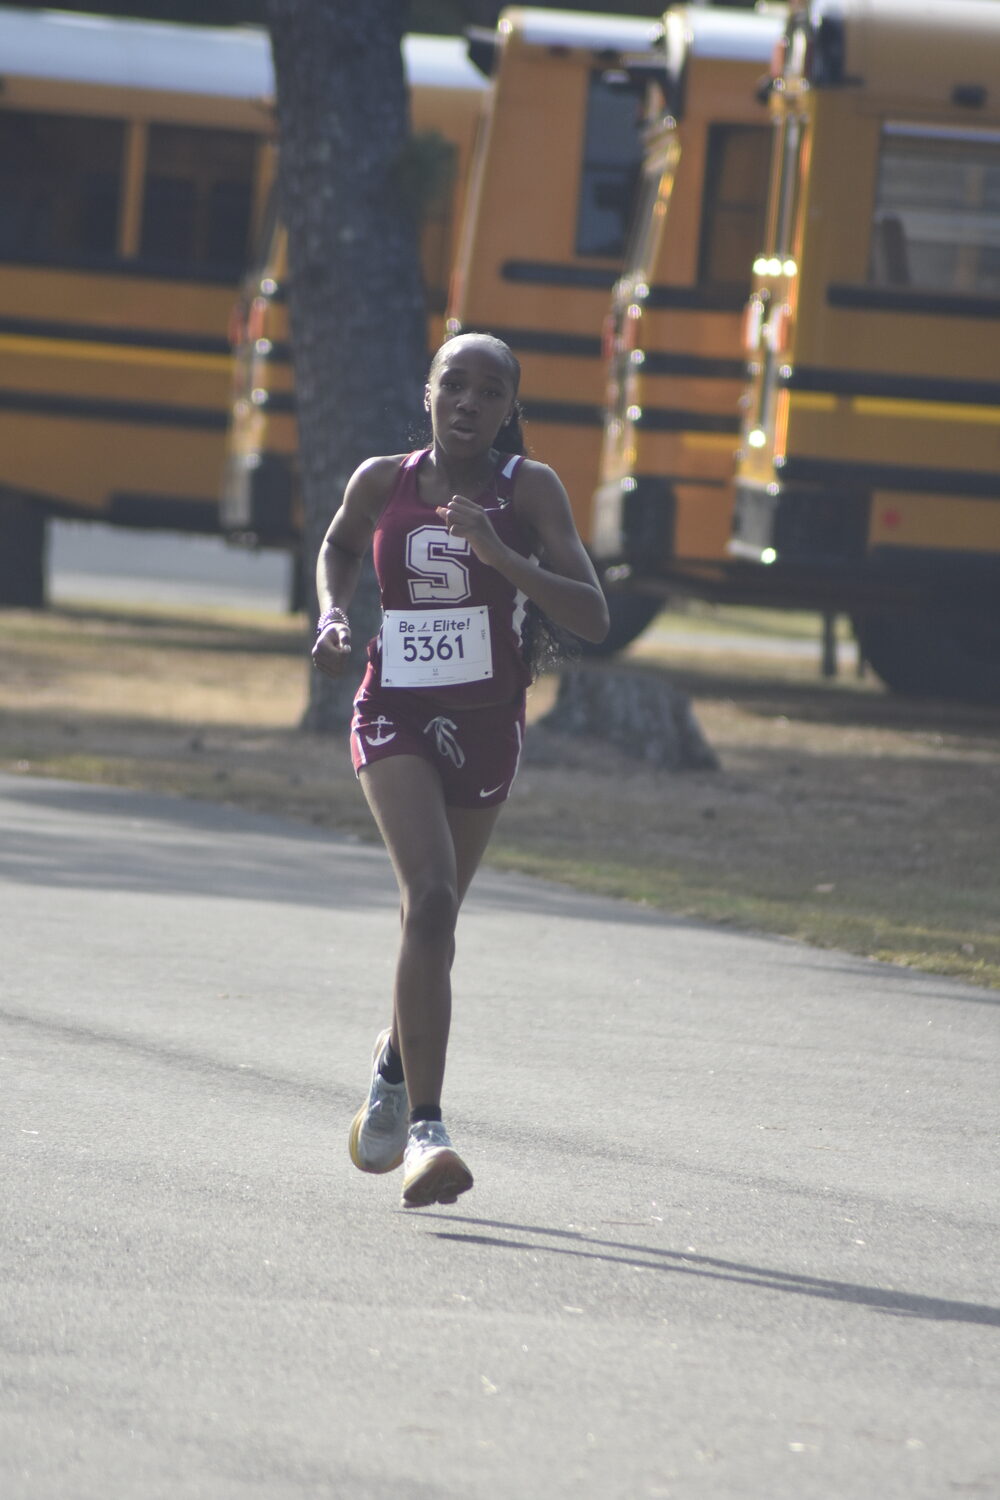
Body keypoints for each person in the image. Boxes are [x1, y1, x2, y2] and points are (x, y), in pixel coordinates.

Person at [311, 332, 609, 1208]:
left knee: (432, 926)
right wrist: (332, 617)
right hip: (394, 711)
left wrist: (502, 555)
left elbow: (592, 615)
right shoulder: (382, 479)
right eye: (455, 386)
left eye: (490, 392)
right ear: (429, 394)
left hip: (487, 726)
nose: (470, 404)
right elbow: (336, 546)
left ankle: (395, 1063)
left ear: (511, 408)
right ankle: (429, 1133)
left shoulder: (533, 490)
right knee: (431, 896)